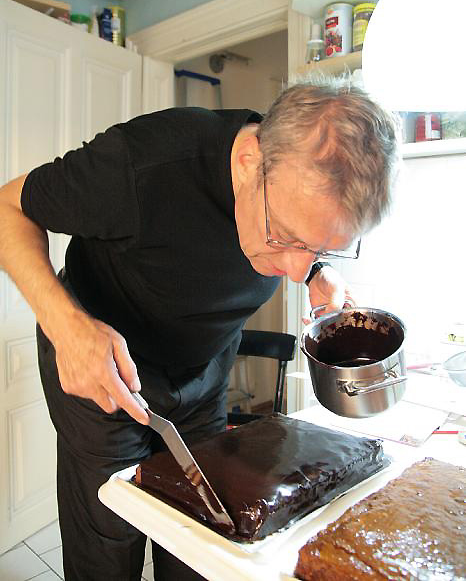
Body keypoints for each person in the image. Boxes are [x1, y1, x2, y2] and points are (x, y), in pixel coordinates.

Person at [0, 75, 400, 581]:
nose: (294, 270)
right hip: (104, 367)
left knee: (200, 535)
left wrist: (319, 270)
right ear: (250, 161)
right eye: (286, 236)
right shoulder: (144, 163)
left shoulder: (287, 203)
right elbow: (7, 208)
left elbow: (299, 251)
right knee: (109, 540)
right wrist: (66, 327)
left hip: (204, 373)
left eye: (322, 247)